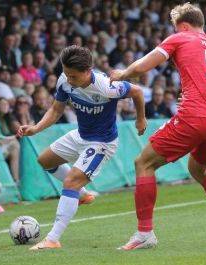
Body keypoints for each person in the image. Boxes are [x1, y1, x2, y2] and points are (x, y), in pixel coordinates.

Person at [110, 3, 206, 250]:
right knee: (199, 170)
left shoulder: (180, 37)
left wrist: (122, 74)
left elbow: (143, 66)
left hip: (194, 117)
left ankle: (145, 234)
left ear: (183, 26)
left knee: (143, 163)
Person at [17, 45, 146, 250]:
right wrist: (35, 128)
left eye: (73, 76)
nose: (69, 79)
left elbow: (137, 91)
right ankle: (83, 194)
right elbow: (56, 109)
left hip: (101, 143)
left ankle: (53, 238)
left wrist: (141, 119)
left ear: (88, 71)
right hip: (80, 135)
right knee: (45, 160)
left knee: (70, 182)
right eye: (66, 74)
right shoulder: (64, 81)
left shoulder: (106, 86)